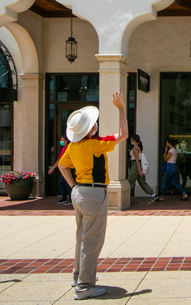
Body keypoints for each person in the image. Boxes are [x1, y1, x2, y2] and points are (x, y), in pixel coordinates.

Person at [58, 92, 128, 300]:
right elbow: (123, 134)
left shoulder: (72, 146)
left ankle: (78, 276)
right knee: (92, 241)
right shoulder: (94, 144)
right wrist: (122, 108)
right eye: (92, 124)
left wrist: (73, 186)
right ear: (89, 130)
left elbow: (62, 166)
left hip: (79, 191)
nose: (95, 125)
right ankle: (84, 286)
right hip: (94, 193)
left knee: (82, 237)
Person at [151, 137, 188, 202]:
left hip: (170, 167)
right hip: (174, 166)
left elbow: (165, 158)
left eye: (167, 143)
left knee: (165, 181)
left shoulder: (171, 150)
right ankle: (183, 193)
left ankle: (162, 196)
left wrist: (165, 152)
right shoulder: (175, 150)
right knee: (175, 182)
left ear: (169, 144)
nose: (166, 144)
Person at [47, 134, 72, 204]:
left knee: (67, 183)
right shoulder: (67, 148)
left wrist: (52, 169)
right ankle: (64, 198)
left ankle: (70, 199)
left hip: (67, 167)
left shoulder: (66, 148)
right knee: (62, 182)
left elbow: (59, 160)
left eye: (62, 140)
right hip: (67, 167)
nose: (61, 142)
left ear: (66, 141)